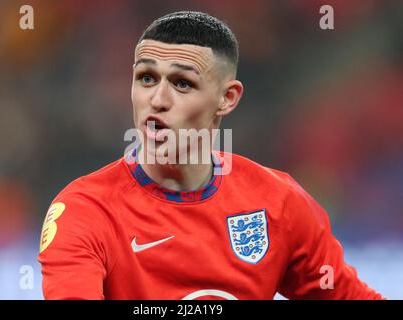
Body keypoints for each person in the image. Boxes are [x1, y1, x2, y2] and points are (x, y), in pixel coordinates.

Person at [38, 11, 383, 300]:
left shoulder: (278, 203)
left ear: (227, 98)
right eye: (145, 78)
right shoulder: (84, 212)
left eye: (182, 83)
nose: (157, 99)